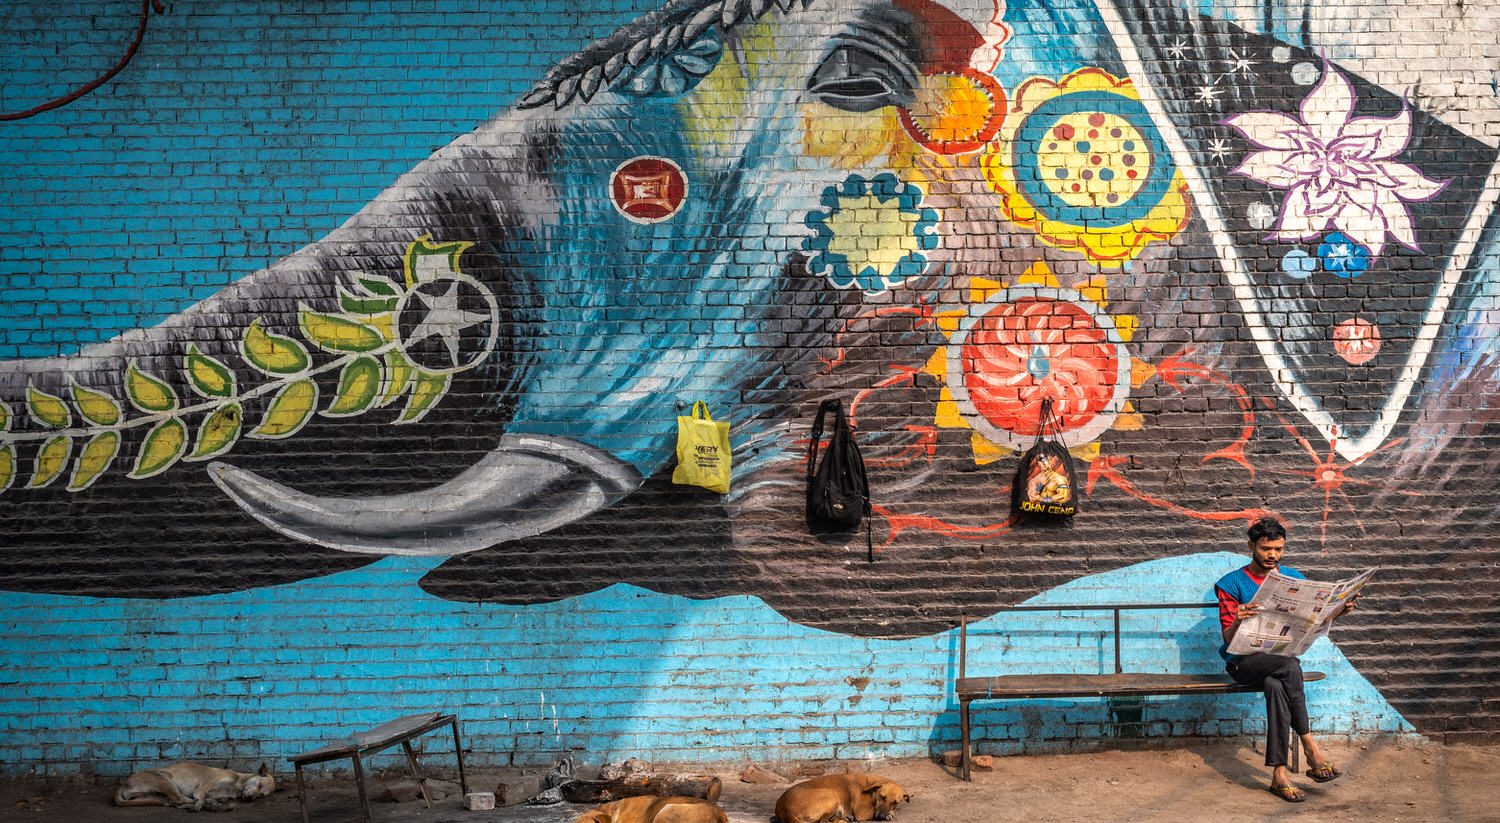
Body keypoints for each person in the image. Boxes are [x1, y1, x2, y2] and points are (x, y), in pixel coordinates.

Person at [1215, 517, 1359, 802]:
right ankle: (1310, 747)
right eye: (1267, 548)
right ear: (1251, 546)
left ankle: (1279, 775)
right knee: (1290, 666)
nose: (1273, 555)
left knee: (1277, 685)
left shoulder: (1293, 576)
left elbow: (1312, 620)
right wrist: (1238, 621)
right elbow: (1229, 640)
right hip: (1243, 663)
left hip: (1278, 662)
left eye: (1279, 549)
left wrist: (1338, 612)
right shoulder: (1230, 584)